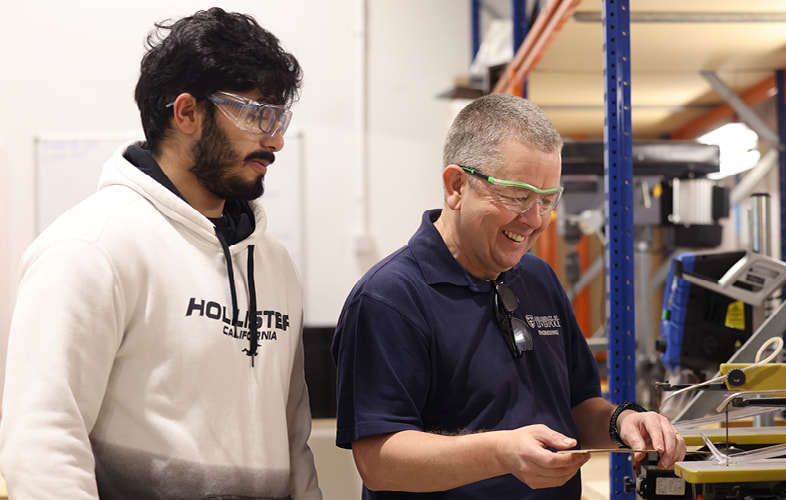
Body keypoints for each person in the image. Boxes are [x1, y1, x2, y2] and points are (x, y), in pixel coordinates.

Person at [0, 8, 322, 500]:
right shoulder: (90, 248)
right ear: (187, 112)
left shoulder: (274, 262)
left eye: (278, 117)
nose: (275, 139)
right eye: (255, 113)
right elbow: (41, 441)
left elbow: (294, 439)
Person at [331, 93, 687, 499]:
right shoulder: (390, 299)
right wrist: (501, 452)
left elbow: (575, 405)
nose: (535, 220)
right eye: (517, 196)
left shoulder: (538, 278)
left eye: (547, 200)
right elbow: (378, 462)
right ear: (455, 186)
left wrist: (621, 424)